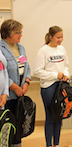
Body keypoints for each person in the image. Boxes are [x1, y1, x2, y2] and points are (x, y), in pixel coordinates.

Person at [34, 26, 70, 147]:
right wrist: (56, 75)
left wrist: (66, 75)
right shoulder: (43, 51)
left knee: (59, 116)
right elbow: (37, 72)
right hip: (48, 87)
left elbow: (66, 65)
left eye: (62, 37)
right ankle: (49, 144)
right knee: (50, 117)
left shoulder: (62, 49)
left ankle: (57, 144)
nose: (60, 40)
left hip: (61, 85)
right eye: (58, 37)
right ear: (51, 37)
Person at [0, 19, 31, 147]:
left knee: (18, 126)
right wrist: (15, 88)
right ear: (7, 34)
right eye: (17, 32)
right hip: (8, 96)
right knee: (6, 129)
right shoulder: (1, 49)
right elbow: (4, 72)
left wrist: (27, 82)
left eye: (20, 32)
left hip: (20, 96)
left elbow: (26, 66)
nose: (20, 35)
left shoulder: (20, 48)